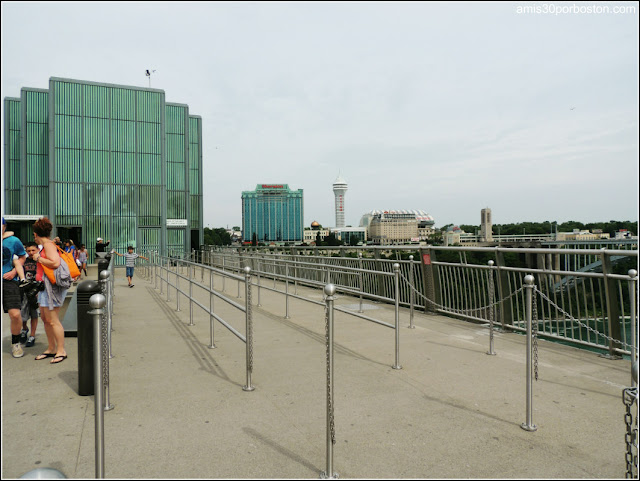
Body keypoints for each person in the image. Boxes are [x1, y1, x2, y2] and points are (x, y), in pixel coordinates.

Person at [32, 217, 68, 364]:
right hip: (44, 287)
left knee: (53, 320)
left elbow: (55, 262)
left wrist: (38, 259)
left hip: (51, 287)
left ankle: (61, 350)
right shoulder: (46, 245)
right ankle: (52, 348)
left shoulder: (48, 245)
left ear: (36, 233)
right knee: (46, 319)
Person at [2, 217, 28, 358]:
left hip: (9, 280)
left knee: (15, 314)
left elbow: (22, 257)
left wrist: (14, 272)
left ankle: (16, 343)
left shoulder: (13, 241)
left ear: (4, 226)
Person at [20, 242, 41, 348]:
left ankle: (32, 335)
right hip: (24, 290)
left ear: (37, 250)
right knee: (22, 314)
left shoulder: (40, 261)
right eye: (29, 251)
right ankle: (24, 329)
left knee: (34, 314)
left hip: (35, 290)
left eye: (33, 250)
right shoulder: (24, 261)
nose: (31, 253)